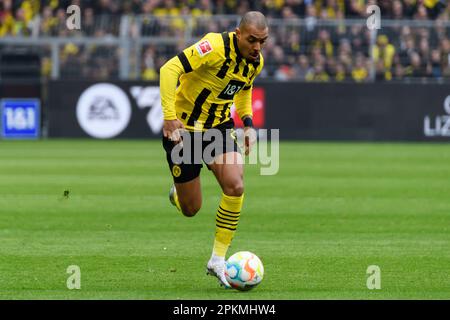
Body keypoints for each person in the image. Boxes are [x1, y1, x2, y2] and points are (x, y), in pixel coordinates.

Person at [159, 11, 268, 288]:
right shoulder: (214, 46)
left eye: (262, 41)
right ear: (238, 33)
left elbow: (243, 90)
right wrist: (170, 116)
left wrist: (246, 124)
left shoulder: (255, 62)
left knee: (235, 185)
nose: (257, 47)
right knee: (191, 208)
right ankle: (178, 196)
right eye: (252, 40)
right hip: (183, 131)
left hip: (217, 130)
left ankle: (217, 260)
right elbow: (169, 69)